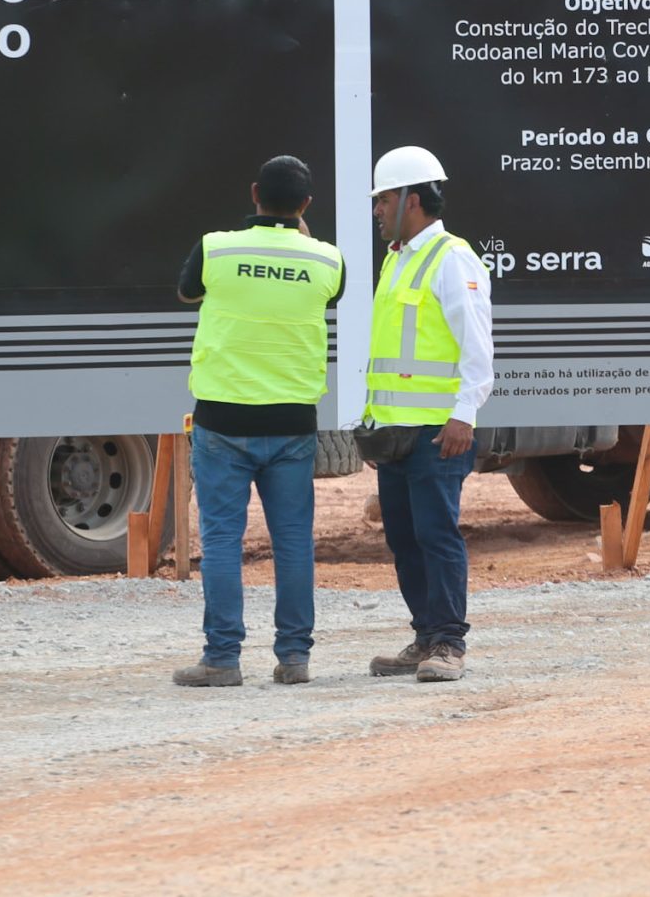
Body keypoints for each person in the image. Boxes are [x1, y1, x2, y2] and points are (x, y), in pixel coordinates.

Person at [171, 154, 344, 689]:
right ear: (307, 205)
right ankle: (294, 658)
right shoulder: (327, 259)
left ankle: (222, 659)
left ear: (253, 194)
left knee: (223, 542)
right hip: (292, 424)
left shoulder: (216, 247)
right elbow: (329, 293)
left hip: (222, 421)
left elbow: (186, 293)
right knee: (292, 542)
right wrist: (300, 238)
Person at [362, 144, 494, 684]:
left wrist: (464, 414)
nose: (376, 210)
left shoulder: (451, 258)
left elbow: (477, 345)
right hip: (395, 431)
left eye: (384, 199)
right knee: (404, 536)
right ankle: (424, 636)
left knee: (437, 534)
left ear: (412, 200)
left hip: (439, 433)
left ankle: (448, 643)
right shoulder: (397, 258)